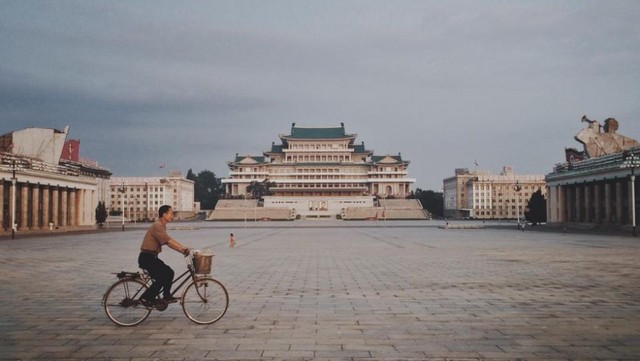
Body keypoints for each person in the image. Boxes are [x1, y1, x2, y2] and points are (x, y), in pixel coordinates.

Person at [138, 205, 190, 308]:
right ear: (164, 214)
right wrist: (183, 247)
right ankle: (145, 298)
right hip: (147, 258)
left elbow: (168, 243)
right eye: (170, 213)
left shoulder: (161, 226)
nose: (172, 215)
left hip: (151, 257)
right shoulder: (158, 225)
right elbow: (168, 240)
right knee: (162, 277)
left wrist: (182, 251)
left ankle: (166, 296)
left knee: (169, 272)